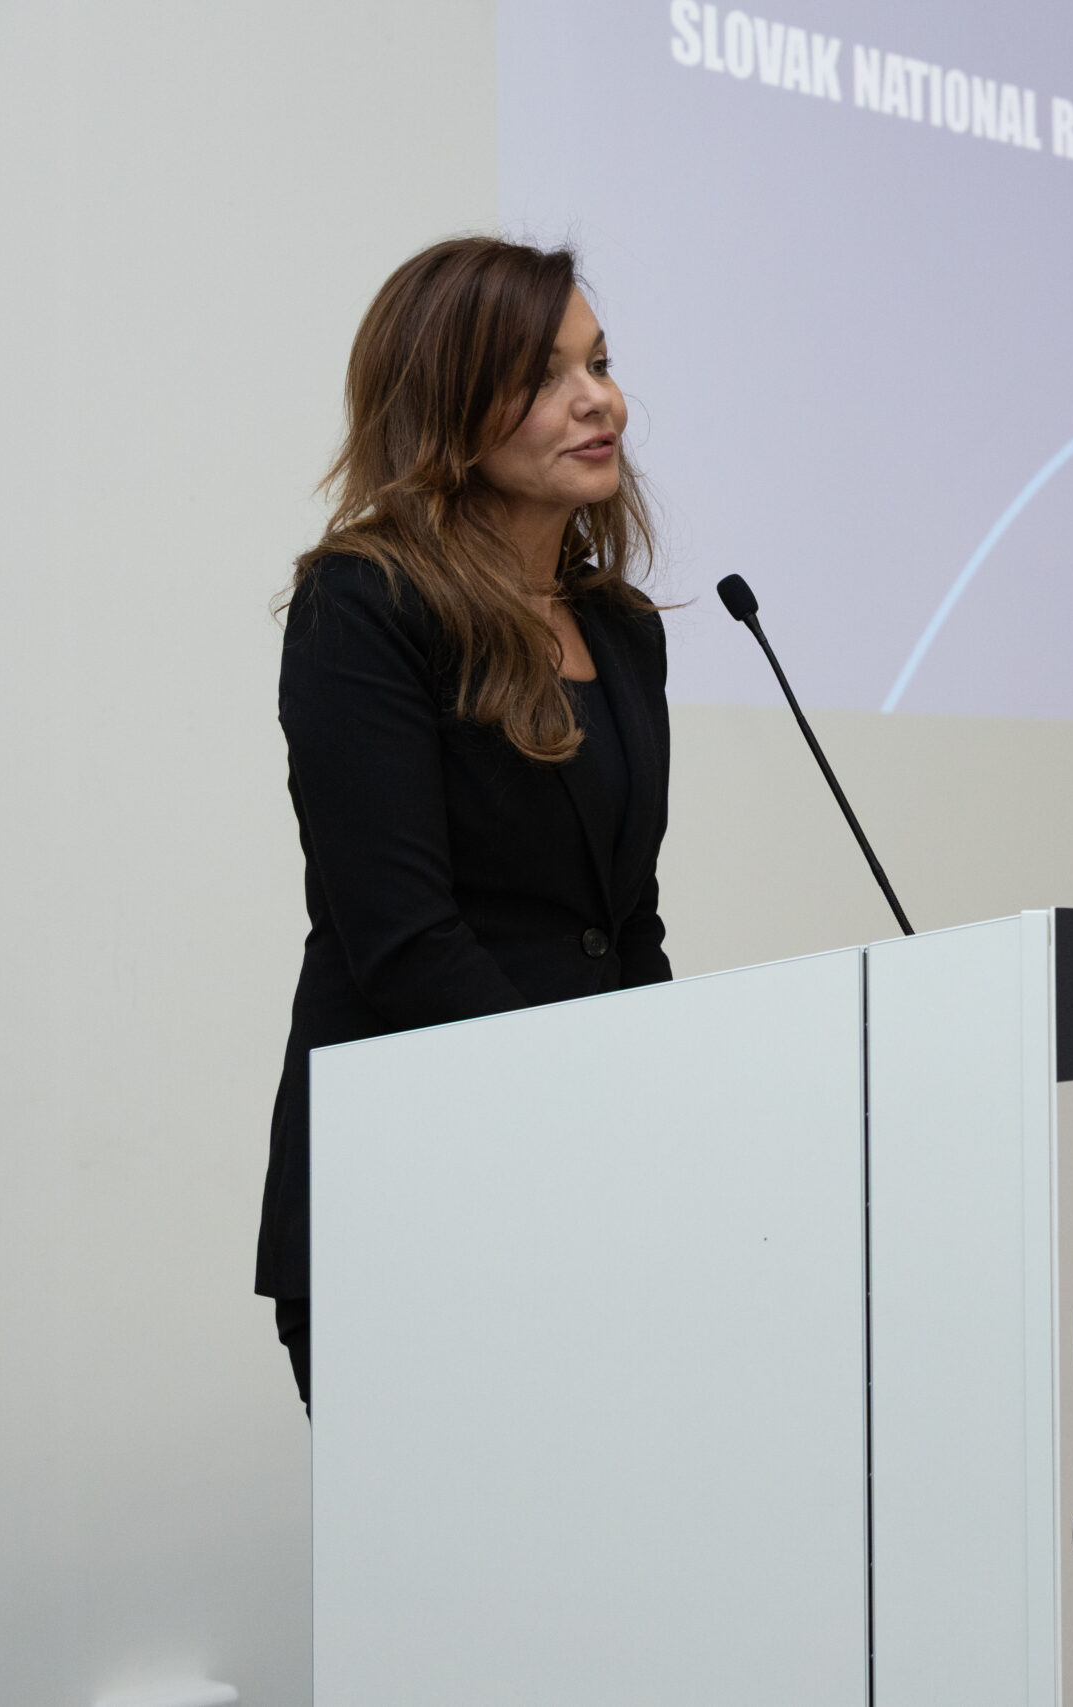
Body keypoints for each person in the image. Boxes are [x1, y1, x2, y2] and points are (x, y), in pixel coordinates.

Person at [256, 239, 673, 1408]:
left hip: (587, 1196)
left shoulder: (622, 628)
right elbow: (404, 941)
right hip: (414, 1189)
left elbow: (625, 926)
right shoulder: (364, 606)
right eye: (544, 377)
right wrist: (576, 1130)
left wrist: (676, 1121)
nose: (598, 401)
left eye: (599, 364)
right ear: (445, 406)